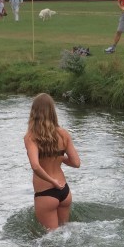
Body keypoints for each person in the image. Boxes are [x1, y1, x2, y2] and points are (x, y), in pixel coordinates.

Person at [24, 93, 81, 230]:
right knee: (64, 235)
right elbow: (76, 163)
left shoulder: (31, 137)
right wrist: (60, 157)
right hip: (64, 191)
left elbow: (35, 166)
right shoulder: (63, 134)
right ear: (52, 111)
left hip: (46, 193)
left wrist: (52, 182)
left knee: (51, 240)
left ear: (34, 112)